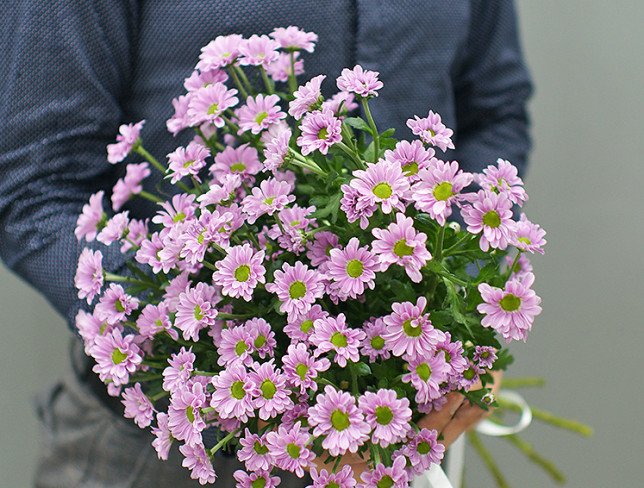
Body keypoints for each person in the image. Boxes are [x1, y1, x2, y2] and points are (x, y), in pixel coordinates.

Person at [0, 1, 532, 486]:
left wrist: (462, 310)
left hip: (394, 441)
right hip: (169, 445)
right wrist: (223, 355)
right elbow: (29, 184)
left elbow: (494, 111)